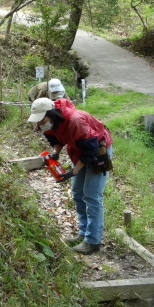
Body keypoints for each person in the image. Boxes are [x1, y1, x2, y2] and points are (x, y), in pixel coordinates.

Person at [28, 97, 113, 255]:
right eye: (38, 121)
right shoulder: (49, 124)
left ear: (52, 113)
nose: (40, 124)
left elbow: (90, 149)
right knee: (77, 193)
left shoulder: (75, 121)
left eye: (42, 119)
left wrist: (73, 172)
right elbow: (55, 139)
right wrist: (56, 153)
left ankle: (93, 241)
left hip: (97, 149)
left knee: (92, 195)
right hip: (79, 150)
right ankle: (83, 232)